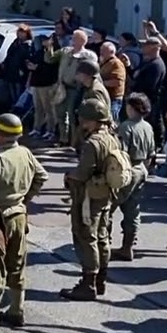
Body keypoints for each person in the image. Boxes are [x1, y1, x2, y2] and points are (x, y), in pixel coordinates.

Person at [0, 113, 49, 331]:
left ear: (1, 136)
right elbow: (41, 176)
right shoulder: (25, 153)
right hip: (19, 216)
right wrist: (25, 198)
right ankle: (16, 311)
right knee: (17, 264)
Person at [61, 99, 122, 301]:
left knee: (86, 236)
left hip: (88, 196)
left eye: (85, 120)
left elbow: (82, 172)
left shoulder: (91, 143)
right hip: (106, 194)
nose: (82, 123)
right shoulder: (113, 138)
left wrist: (69, 176)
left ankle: (88, 284)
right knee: (103, 235)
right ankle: (100, 280)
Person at [110, 93, 157, 261]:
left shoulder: (126, 126)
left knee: (108, 207)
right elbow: (152, 152)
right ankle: (127, 247)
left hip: (127, 170)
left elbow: (120, 153)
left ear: (131, 108)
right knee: (133, 210)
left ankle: (104, 244)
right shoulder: (148, 127)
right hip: (141, 169)